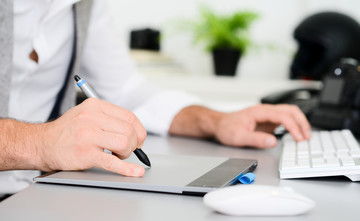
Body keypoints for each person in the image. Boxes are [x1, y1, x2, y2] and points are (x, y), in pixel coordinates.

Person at [0, 0, 311, 197]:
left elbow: (125, 88)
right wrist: (38, 143)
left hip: (35, 194)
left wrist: (215, 121)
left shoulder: (83, 5)